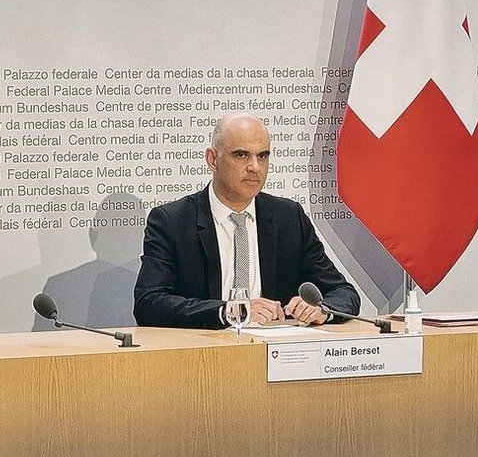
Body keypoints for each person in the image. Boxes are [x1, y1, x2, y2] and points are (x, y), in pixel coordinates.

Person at [133, 112, 359, 329]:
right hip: (204, 353)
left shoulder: (289, 217)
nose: (255, 167)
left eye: (262, 156)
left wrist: (322, 310)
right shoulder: (172, 222)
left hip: (278, 353)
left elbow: (344, 293)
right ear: (213, 159)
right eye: (241, 155)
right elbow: (149, 303)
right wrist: (231, 311)